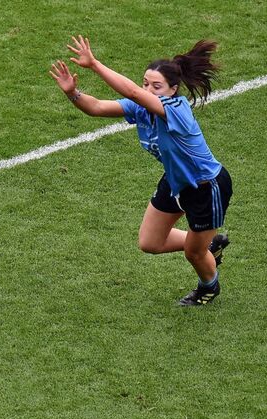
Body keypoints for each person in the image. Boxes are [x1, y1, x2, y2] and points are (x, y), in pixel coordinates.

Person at [49, 36, 233, 306]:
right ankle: (208, 243)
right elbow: (97, 107)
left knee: (193, 254)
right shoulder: (142, 108)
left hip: (206, 187)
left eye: (156, 86)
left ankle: (208, 286)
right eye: (146, 83)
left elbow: (134, 93)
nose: (148, 89)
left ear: (172, 89)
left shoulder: (177, 109)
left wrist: (95, 64)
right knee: (150, 242)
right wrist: (71, 93)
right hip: (175, 181)